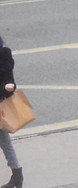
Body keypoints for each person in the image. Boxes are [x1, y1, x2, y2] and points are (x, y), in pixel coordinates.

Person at [0, 35, 23, 188]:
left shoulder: (3, 55)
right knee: (5, 142)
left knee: (5, 142)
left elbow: (10, 83)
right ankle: (17, 175)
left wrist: (6, 87)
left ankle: (17, 176)